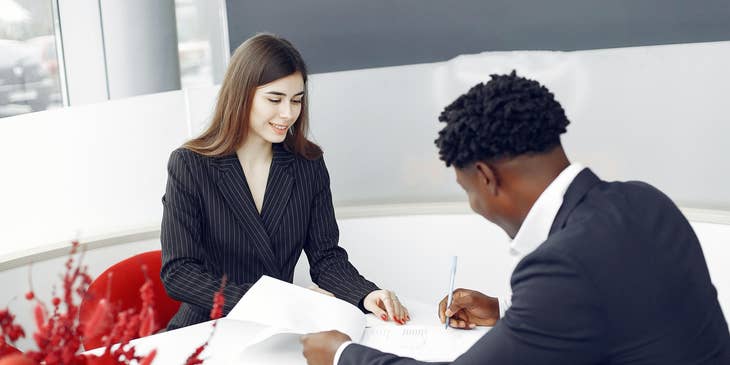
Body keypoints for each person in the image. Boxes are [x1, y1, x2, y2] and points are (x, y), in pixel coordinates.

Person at [300, 71, 730, 364]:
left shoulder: (565, 264)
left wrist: (342, 354)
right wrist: (506, 312)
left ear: (486, 178)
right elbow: (623, 306)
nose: (475, 205)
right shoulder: (644, 201)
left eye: (468, 191)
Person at [160, 33, 409, 330]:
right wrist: (277, 302)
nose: (288, 113)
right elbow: (180, 273)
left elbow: (326, 258)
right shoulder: (190, 165)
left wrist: (366, 294)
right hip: (207, 330)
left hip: (279, 330)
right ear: (241, 95)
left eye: (297, 100)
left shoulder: (308, 165)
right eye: (275, 99)